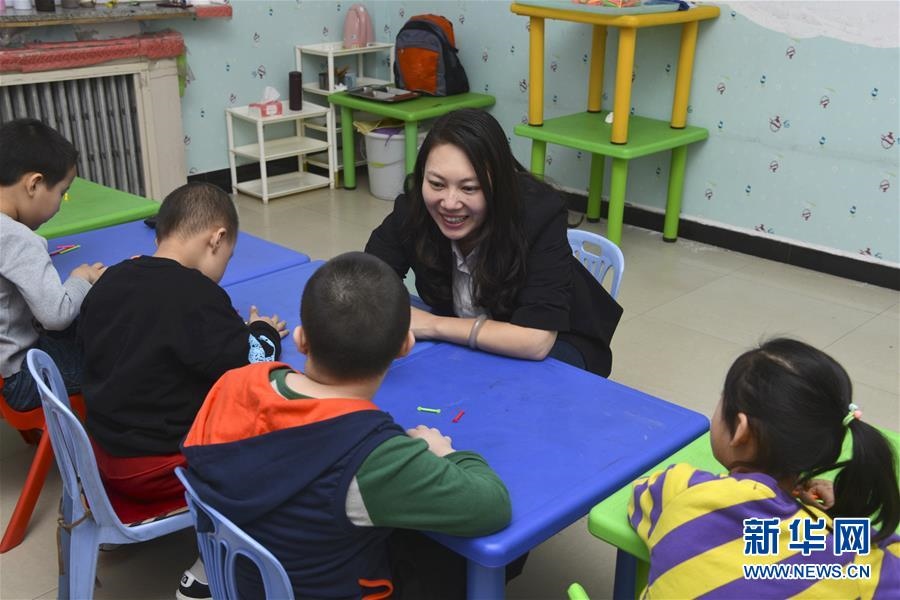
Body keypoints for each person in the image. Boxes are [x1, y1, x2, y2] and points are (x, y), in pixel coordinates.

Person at [181, 252, 512, 599]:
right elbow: (493, 506)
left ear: (301, 339)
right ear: (405, 345)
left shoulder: (234, 383)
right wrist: (446, 453)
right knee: (487, 554)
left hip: (238, 583)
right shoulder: (374, 456)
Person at [77, 182, 287, 600]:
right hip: (156, 470)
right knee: (276, 443)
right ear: (217, 239)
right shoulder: (197, 296)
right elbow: (251, 366)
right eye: (228, 256)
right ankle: (212, 566)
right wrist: (262, 331)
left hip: (99, 456)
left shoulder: (112, 278)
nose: (224, 266)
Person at [629, 338, 899, 598]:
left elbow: (642, 491)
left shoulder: (681, 491)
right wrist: (839, 522)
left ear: (741, 430)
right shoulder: (852, 557)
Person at [365, 108, 623, 377]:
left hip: (560, 340)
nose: (449, 203)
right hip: (463, 333)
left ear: (498, 185)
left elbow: (535, 340)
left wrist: (432, 324)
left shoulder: (539, 214)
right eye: (437, 184)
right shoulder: (414, 208)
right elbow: (365, 283)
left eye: (469, 188)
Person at [0, 118, 105, 411]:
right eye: (62, 192)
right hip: (22, 376)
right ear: (34, 184)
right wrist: (81, 277)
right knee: (120, 355)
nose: (60, 204)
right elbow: (56, 315)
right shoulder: (18, 239)